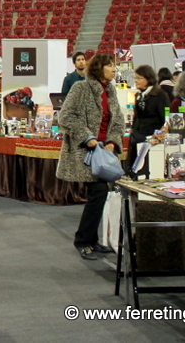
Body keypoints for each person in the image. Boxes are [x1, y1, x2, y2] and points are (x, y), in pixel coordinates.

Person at [56, 53, 125, 261]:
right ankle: (83, 241)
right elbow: (66, 116)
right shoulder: (81, 88)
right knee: (98, 192)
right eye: (110, 65)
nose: (114, 69)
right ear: (99, 68)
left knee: (99, 195)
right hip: (86, 152)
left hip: (105, 152)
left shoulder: (111, 90)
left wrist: (113, 141)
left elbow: (118, 120)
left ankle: (92, 240)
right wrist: (87, 137)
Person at [128, 65, 169, 179]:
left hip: (151, 139)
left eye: (139, 78)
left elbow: (165, 118)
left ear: (148, 78)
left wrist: (159, 135)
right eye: (135, 78)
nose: (136, 81)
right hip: (137, 136)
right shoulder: (139, 95)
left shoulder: (160, 95)